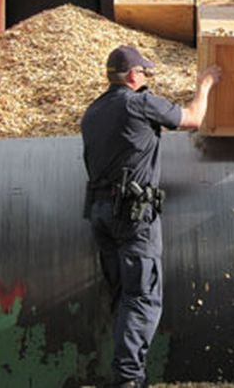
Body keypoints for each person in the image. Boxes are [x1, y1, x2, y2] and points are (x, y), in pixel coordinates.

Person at [81, 45, 221, 388]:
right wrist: (204, 85)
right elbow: (192, 119)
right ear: (132, 76)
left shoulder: (92, 112)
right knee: (142, 296)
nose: (147, 80)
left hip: (99, 212)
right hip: (132, 216)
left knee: (123, 297)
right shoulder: (139, 102)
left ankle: (125, 372)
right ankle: (128, 380)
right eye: (144, 73)